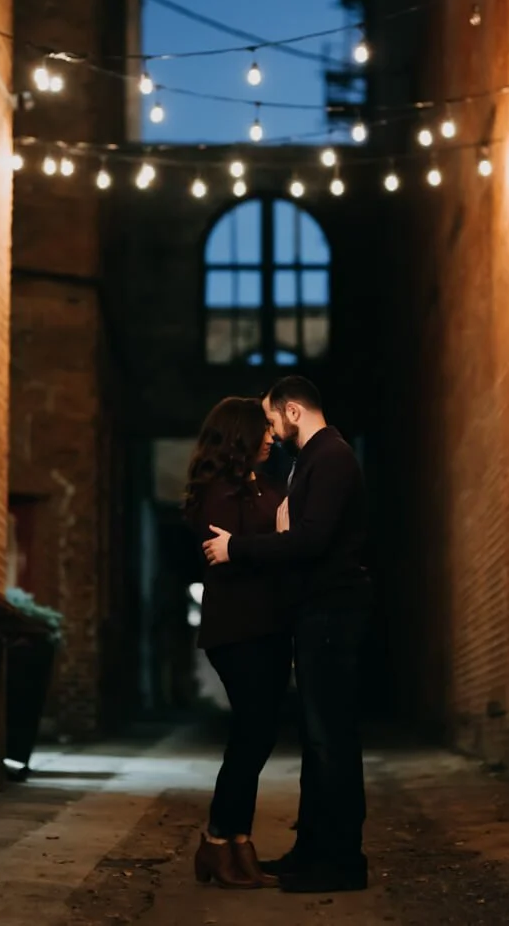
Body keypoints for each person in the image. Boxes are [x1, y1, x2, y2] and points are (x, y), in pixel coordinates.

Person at [203, 376, 370, 895]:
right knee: (316, 739)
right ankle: (310, 851)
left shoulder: (332, 458)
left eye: (274, 419)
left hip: (331, 613)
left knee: (330, 740)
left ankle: (339, 861)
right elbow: (297, 537)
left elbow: (312, 539)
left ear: (293, 411)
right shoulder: (310, 461)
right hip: (309, 616)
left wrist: (247, 547)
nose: (271, 431)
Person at [184, 396, 292, 890]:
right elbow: (251, 548)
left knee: (260, 734)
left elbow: (271, 546)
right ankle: (217, 843)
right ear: (240, 435)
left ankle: (237, 843)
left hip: (268, 626)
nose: (272, 437)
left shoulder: (264, 487)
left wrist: (258, 545)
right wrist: (270, 541)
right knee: (251, 735)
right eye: (264, 430)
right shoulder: (215, 491)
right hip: (235, 630)